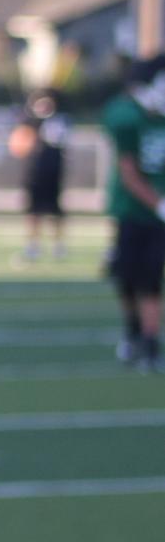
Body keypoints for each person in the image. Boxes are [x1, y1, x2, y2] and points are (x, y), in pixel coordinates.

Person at [100, 58, 165, 371]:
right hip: (132, 210)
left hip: (158, 218)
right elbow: (129, 172)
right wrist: (159, 204)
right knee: (127, 279)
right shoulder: (127, 115)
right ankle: (133, 331)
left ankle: (151, 342)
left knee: (152, 280)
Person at [10, 91, 69, 263]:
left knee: (55, 211)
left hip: (53, 174)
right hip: (34, 174)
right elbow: (19, 147)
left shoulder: (58, 121)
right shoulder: (29, 123)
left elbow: (58, 139)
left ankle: (58, 245)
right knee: (33, 212)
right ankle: (33, 246)